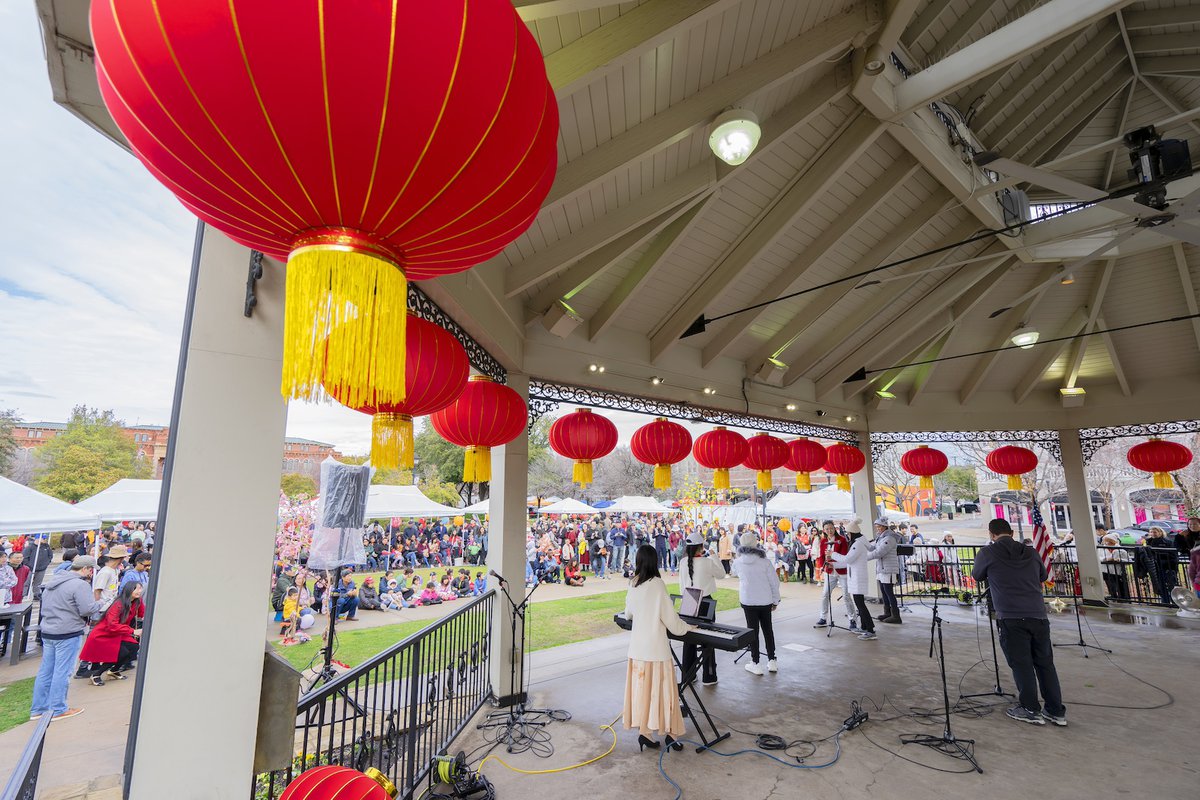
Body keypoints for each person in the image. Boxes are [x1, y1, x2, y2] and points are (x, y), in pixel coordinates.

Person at [971, 519, 1066, 727]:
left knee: (1021, 664)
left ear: (991, 534)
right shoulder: (1031, 552)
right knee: (1045, 664)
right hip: (1038, 615)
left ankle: (1031, 709)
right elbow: (1043, 575)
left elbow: (977, 575)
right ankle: (1055, 710)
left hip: (1011, 616)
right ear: (1012, 532)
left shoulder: (988, 553)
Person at [622, 544, 692, 752]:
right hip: (656, 651)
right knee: (665, 694)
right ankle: (671, 736)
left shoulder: (633, 583)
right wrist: (688, 627)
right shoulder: (658, 584)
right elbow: (672, 622)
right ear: (655, 562)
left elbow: (628, 614)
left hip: (637, 651)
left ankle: (645, 734)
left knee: (643, 694)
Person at [31, 555, 102, 721]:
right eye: (91, 570)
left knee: (45, 672)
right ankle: (58, 709)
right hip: (67, 632)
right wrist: (102, 602)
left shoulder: (53, 582)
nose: (91, 573)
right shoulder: (80, 584)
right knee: (62, 672)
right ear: (85, 569)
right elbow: (87, 609)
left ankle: (39, 708)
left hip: (49, 631)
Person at [733, 530, 781, 675]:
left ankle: (755, 662)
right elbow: (774, 582)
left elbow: (735, 573)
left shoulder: (738, 562)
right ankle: (772, 660)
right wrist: (775, 600)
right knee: (768, 630)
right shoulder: (765, 562)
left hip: (748, 600)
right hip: (765, 600)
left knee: (752, 631)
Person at [680, 530, 723, 685]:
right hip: (705, 601)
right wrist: (713, 555)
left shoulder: (683, 562)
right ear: (701, 547)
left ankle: (688, 675)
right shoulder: (707, 562)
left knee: (689, 640)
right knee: (708, 641)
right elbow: (722, 574)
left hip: (689, 599)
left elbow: (681, 585)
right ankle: (709, 676)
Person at [81, 581, 145, 684]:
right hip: (104, 634)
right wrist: (133, 631)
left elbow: (143, 613)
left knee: (134, 647)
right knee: (120, 652)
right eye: (136, 588)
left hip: (119, 632)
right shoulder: (118, 604)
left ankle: (114, 670)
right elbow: (112, 625)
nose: (139, 591)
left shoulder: (138, 601)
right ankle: (96, 674)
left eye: (140, 588)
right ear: (129, 590)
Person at [831, 521, 877, 641]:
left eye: (848, 533)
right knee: (859, 603)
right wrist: (833, 562)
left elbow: (848, 559)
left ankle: (870, 630)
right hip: (856, 576)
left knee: (860, 604)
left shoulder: (857, 544)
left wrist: (833, 554)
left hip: (857, 577)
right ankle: (865, 627)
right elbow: (848, 560)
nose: (847, 535)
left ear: (852, 533)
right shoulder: (859, 542)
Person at [814, 521, 855, 630]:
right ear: (824, 530)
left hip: (842, 571)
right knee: (825, 594)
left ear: (834, 528)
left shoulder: (841, 540)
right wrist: (823, 566)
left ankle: (852, 619)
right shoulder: (823, 541)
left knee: (846, 595)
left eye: (831, 528)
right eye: (827, 529)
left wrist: (833, 561)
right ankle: (823, 618)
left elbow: (844, 556)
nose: (829, 531)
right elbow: (822, 556)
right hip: (830, 572)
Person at [869, 518, 902, 624]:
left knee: (889, 592)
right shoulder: (881, 537)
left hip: (888, 569)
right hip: (882, 569)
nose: (877, 529)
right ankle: (887, 613)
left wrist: (863, 557)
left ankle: (896, 616)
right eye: (876, 527)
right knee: (884, 592)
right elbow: (871, 547)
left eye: (879, 527)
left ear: (884, 527)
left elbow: (879, 552)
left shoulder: (889, 538)